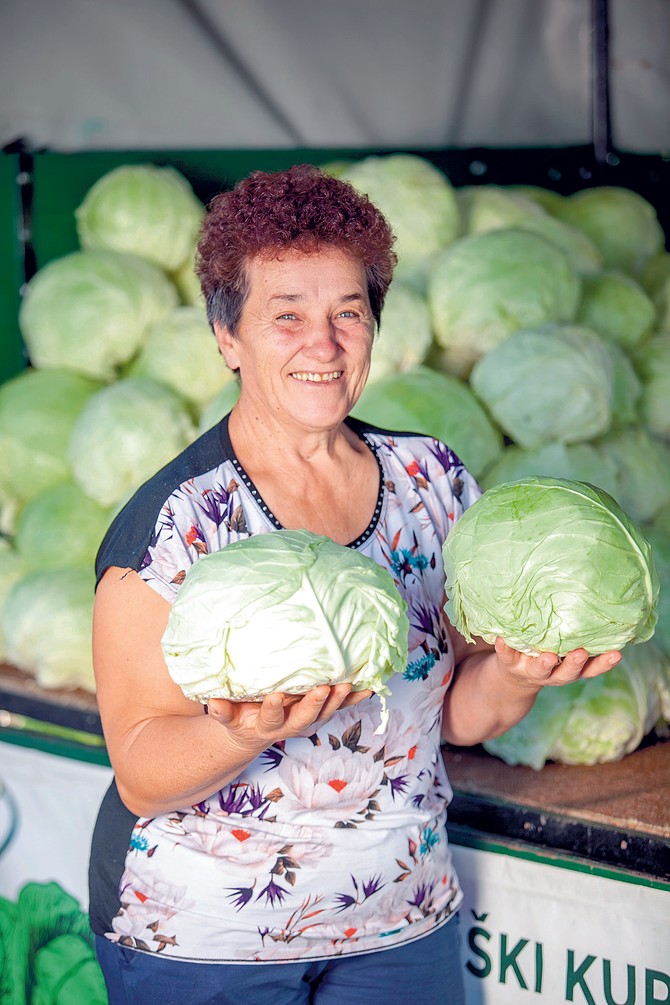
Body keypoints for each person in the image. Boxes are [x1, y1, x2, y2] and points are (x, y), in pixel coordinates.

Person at [88, 163, 621, 1005]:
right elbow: (143, 773)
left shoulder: (432, 479)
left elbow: (446, 713)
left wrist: (515, 673)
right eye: (286, 316)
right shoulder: (177, 522)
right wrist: (244, 731)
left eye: (348, 313)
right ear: (227, 338)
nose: (323, 344)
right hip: (207, 940)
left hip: (403, 916)